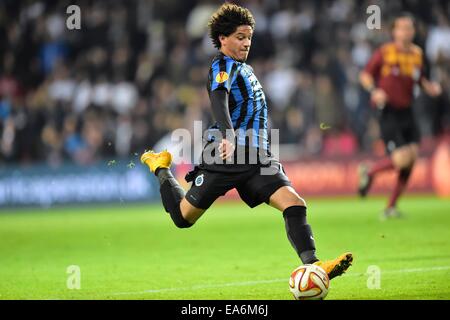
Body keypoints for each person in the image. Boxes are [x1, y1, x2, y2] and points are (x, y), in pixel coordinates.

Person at [141, 3, 352, 280]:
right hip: (227, 155)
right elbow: (218, 98)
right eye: (240, 37)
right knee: (182, 218)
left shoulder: (245, 69)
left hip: (256, 155)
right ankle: (160, 167)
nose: (247, 43)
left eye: (249, 37)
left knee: (294, 203)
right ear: (222, 39)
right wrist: (228, 136)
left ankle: (314, 265)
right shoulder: (222, 64)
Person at [359, 12, 442, 219]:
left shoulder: (417, 54)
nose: (407, 31)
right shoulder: (385, 52)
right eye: (403, 27)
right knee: (402, 158)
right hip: (389, 111)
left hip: (408, 110)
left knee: (412, 158)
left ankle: (391, 207)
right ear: (394, 31)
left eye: (410, 27)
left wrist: (429, 87)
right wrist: (374, 91)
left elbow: (419, 77)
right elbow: (365, 75)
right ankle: (369, 171)